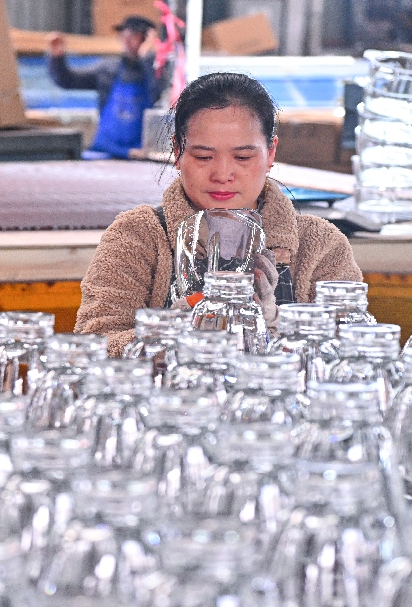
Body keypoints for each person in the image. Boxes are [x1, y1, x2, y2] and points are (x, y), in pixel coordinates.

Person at [74, 72, 363, 355]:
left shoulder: (320, 243)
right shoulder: (139, 235)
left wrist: (277, 331)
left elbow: (353, 352)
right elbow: (91, 346)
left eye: (243, 157)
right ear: (177, 151)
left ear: (271, 153)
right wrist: (173, 334)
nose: (223, 174)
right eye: (203, 157)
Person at [47, 15, 161, 158]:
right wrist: (57, 59)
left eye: (133, 36)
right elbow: (68, 80)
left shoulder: (159, 71)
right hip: (104, 151)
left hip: (141, 155)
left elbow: (156, 93)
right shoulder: (108, 69)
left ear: (146, 40)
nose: (125, 41)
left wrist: (148, 58)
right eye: (124, 36)